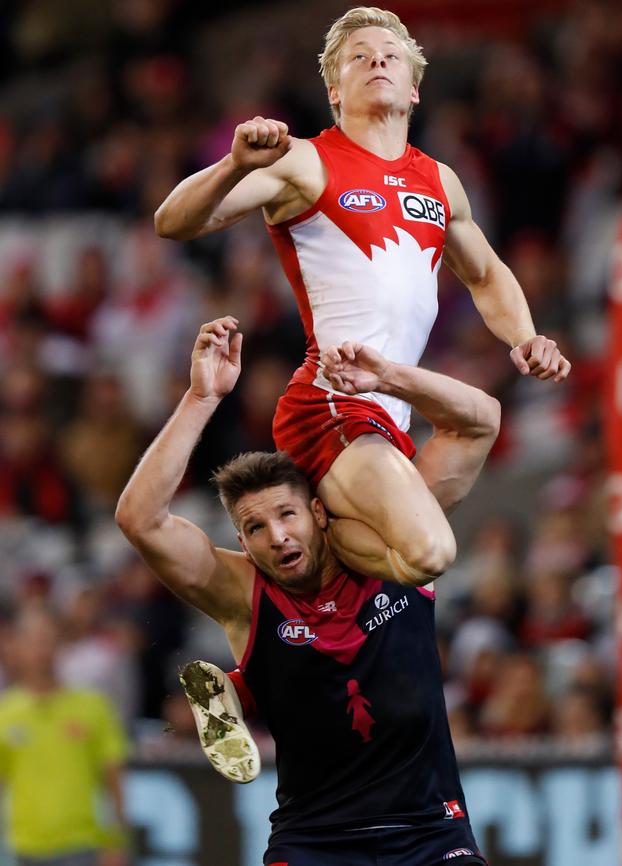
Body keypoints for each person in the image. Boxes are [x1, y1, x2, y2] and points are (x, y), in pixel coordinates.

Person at [153, 6, 570, 587]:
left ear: (415, 89)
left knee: (475, 433)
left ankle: (316, 578)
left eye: (391, 55)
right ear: (333, 89)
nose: (378, 60)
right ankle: (309, 554)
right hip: (329, 403)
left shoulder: (439, 180)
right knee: (428, 556)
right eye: (360, 56)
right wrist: (233, 164)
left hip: (389, 415)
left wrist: (526, 337)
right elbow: (173, 222)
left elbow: (485, 274)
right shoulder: (305, 160)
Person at [116, 317, 493, 866]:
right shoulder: (244, 591)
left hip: (430, 833)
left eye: (286, 515)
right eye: (255, 528)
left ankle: (238, 692)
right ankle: (239, 691)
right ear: (242, 542)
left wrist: (386, 378)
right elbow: (140, 520)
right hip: (317, 841)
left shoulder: (397, 543)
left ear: (319, 511)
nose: (277, 537)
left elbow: (476, 424)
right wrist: (201, 398)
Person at [0, 609, 130, 866]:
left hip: (82, 844)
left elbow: (114, 779)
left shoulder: (93, 706)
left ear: (60, 645)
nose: (41, 650)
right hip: (24, 847)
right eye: (33, 641)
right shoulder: (6, 713)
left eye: (47, 640)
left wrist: (117, 841)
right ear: (18, 647)